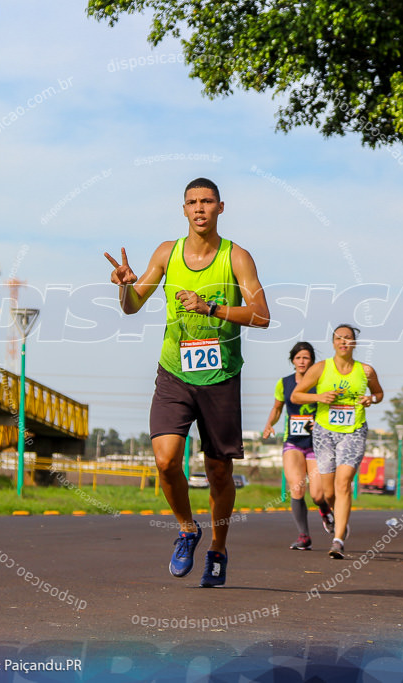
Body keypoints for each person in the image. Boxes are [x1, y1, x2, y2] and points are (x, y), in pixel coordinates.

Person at [104, 177, 270, 587]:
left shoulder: (237, 258)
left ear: (221, 207)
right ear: (183, 210)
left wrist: (210, 306)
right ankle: (186, 529)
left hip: (220, 378)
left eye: (207, 201)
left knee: (218, 472)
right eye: (192, 202)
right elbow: (132, 307)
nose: (200, 208)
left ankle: (217, 549)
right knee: (165, 460)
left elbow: (262, 315)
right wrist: (125, 288)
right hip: (174, 372)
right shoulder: (167, 252)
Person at [291, 324, 384, 559]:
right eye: (339, 338)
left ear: (354, 343)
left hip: (353, 431)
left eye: (348, 338)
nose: (344, 342)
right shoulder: (321, 369)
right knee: (327, 492)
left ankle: (338, 539)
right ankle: (337, 516)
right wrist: (319, 396)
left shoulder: (366, 371)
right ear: (333, 343)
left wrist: (370, 398)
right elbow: (296, 395)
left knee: (344, 483)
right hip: (324, 433)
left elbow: (379, 394)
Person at [262, 341, 333, 550]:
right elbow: (276, 408)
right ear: (293, 360)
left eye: (306, 358)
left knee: (319, 494)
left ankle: (324, 511)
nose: (302, 361)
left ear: (312, 361)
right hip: (293, 442)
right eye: (299, 358)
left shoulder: (319, 384)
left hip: (316, 445)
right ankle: (304, 536)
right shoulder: (284, 383)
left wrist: (319, 422)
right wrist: (269, 424)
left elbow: (330, 408)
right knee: (297, 488)